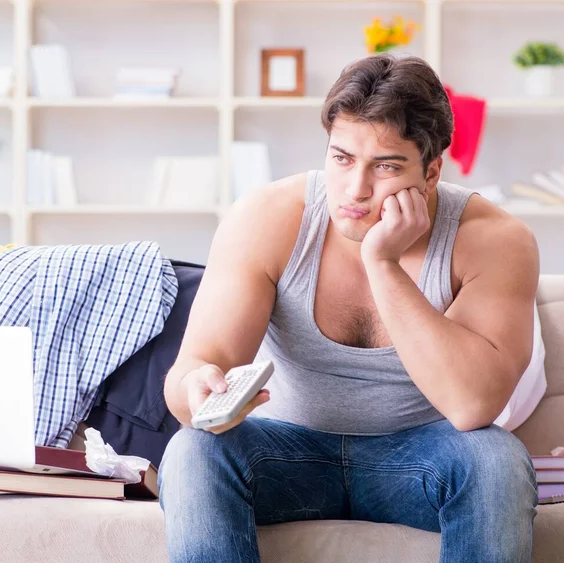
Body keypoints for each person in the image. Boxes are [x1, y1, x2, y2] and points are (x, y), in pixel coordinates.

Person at [159, 54, 539, 563]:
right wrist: (198, 389)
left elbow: (472, 407)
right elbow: (190, 374)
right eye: (341, 159)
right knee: (191, 452)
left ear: (430, 173)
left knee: (495, 460)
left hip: (421, 459)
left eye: (385, 166)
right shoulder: (267, 218)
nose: (355, 190)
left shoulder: (494, 240)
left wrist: (382, 263)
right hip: (282, 453)